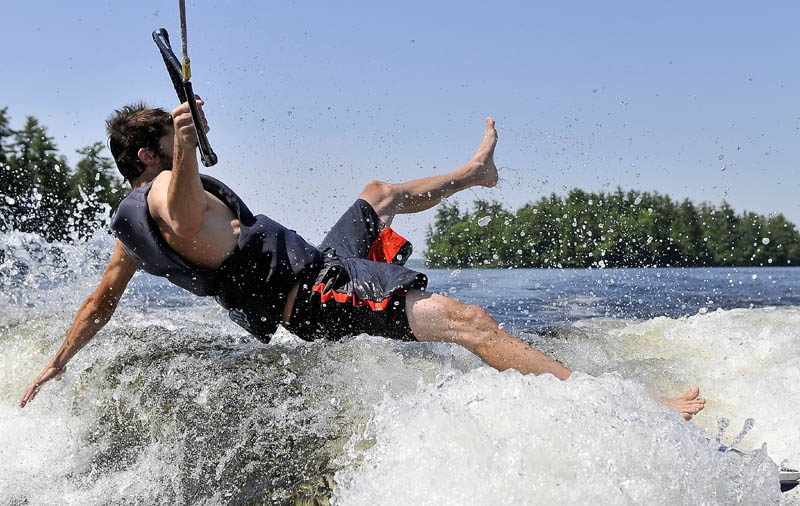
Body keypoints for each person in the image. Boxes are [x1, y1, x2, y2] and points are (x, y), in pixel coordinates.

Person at [19, 100, 705, 420]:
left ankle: (475, 173)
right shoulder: (166, 193)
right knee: (468, 320)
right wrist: (186, 139)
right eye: (166, 147)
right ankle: (634, 410)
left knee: (380, 194)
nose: (176, 154)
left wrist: (57, 361)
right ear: (148, 158)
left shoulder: (127, 242)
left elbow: (98, 303)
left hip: (317, 267)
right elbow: (180, 206)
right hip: (322, 294)